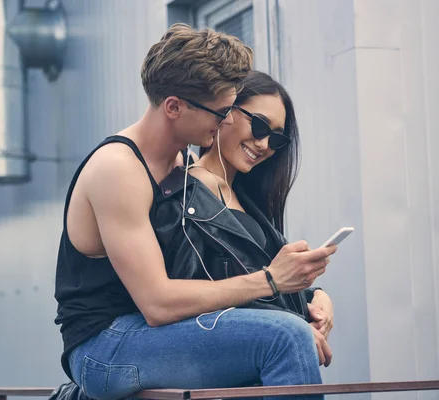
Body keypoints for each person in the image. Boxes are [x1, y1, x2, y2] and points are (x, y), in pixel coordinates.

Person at [54, 22, 335, 400]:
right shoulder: (118, 169)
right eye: (222, 112)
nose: (227, 121)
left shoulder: (178, 164)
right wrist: (271, 280)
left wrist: (307, 301)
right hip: (106, 347)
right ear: (174, 107)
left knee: (285, 333)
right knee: (284, 338)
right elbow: (157, 303)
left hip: (153, 333)